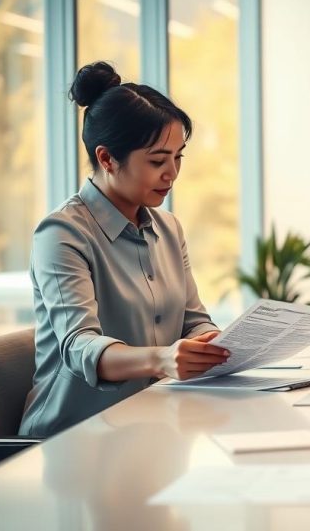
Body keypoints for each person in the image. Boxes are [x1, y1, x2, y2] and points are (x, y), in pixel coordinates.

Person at [20, 62, 230, 437]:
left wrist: (212, 342)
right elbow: (79, 346)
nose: (172, 174)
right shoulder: (62, 233)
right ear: (106, 159)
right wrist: (163, 359)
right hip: (75, 436)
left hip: (155, 425)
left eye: (178, 157)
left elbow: (192, 319)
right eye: (157, 160)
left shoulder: (168, 228)